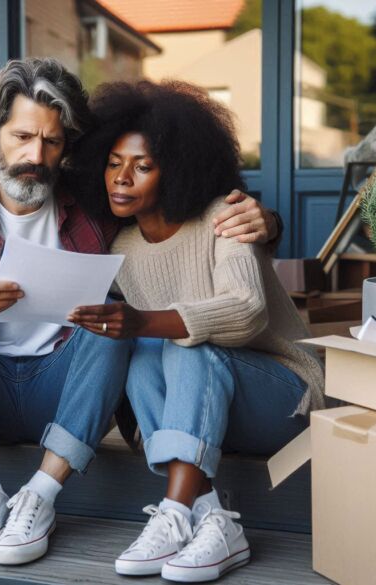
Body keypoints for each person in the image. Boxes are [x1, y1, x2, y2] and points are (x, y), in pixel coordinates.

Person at [0, 58, 280, 566]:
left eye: (52, 142)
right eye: (22, 137)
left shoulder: (95, 200)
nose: (35, 156)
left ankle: (40, 495)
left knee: (113, 320)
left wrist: (266, 220)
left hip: (65, 390)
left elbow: (178, 199)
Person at [67, 80, 326, 582]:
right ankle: (213, 519)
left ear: (178, 169)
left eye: (142, 166)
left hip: (286, 395)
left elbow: (246, 311)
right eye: (113, 162)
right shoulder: (120, 246)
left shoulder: (223, 219)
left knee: (186, 346)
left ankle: (174, 510)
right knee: (142, 353)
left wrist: (143, 320)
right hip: (209, 408)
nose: (121, 178)